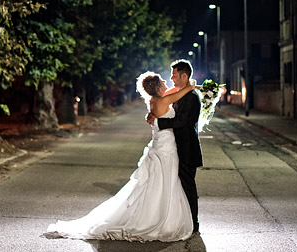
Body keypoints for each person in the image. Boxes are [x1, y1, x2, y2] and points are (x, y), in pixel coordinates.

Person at [45, 71, 196, 242]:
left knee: (157, 183)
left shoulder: (154, 100)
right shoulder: (162, 100)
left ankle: (156, 214)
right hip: (165, 148)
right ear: (158, 87)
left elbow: (172, 93)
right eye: (163, 82)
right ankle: (158, 218)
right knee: (164, 181)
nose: (166, 83)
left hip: (161, 145)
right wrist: (194, 86)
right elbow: (182, 92)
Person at [146, 59, 202, 233]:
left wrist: (157, 121)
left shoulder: (191, 97)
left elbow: (182, 121)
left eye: (174, 75)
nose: (170, 78)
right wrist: (154, 113)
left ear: (184, 76)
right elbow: (164, 104)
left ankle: (193, 223)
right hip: (173, 147)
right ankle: (179, 220)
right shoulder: (180, 93)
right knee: (176, 186)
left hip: (187, 149)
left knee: (187, 186)